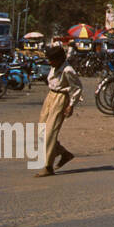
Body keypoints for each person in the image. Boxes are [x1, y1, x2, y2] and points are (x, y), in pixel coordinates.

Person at [36, 44, 82, 178]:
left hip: (61, 99)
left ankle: (48, 166)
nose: (50, 62)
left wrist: (71, 105)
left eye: (52, 60)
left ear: (59, 59)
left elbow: (77, 88)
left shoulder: (68, 70)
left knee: (50, 132)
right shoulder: (54, 66)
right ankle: (63, 153)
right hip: (50, 96)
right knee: (42, 131)